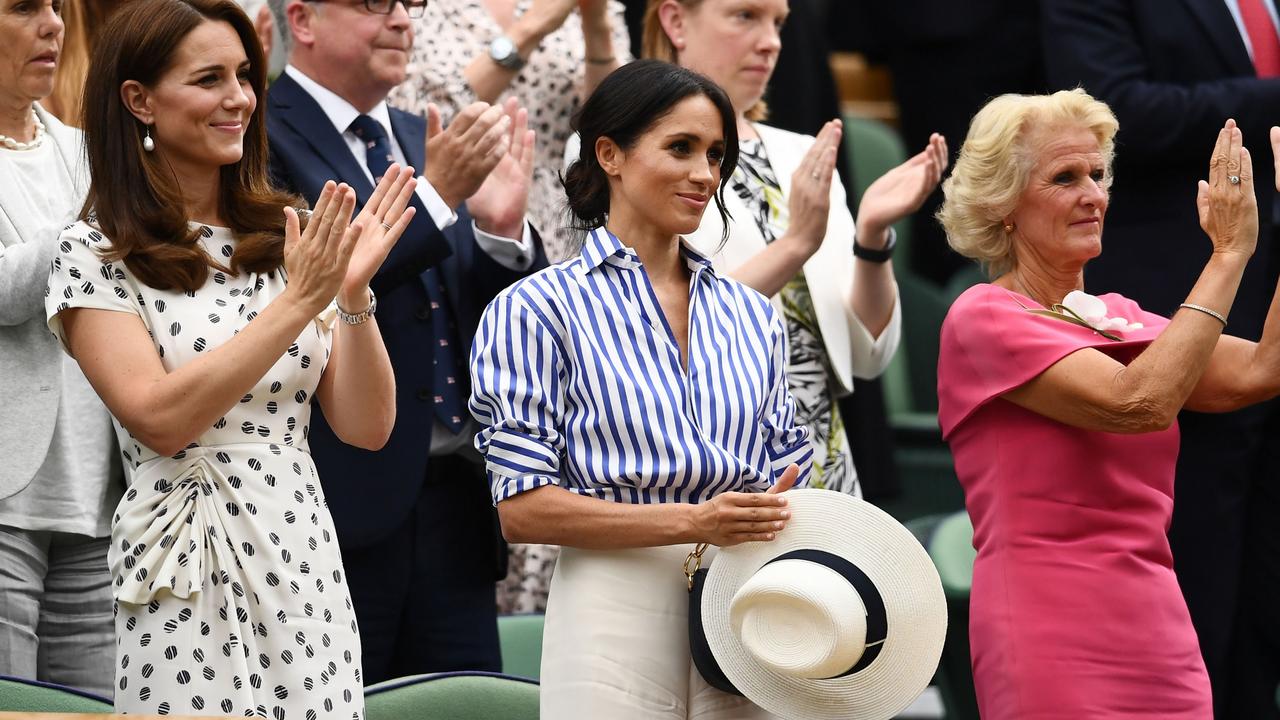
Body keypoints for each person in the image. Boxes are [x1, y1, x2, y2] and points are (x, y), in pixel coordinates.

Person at [45, 0, 417, 714]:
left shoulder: (289, 240)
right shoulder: (93, 253)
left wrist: (350, 293)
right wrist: (298, 303)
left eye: (245, 75)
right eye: (209, 78)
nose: (238, 99)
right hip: (182, 564)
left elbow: (366, 427)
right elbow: (160, 419)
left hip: (301, 550)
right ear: (139, 101)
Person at [470, 58, 810, 719]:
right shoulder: (536, 307)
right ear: (610, 154)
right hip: (609, 600)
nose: (704, 174)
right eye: (680, 147)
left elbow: (793, 473)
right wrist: (696, 520)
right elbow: (522, 510)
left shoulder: (753, 314)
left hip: (746, 603)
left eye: (715, 154)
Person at [936, 88, 1280, 718]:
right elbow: (1140, 402)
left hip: (1158, 627)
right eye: (1065, 177)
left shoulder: (1119, 318)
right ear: (1003, 203)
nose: (1093, 194)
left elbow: (1263, 369)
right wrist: (1229, 256)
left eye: (1098, 174)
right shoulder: (982, 316)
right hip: (1048, 630)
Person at [265, 0, 546, 680]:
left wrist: (501, 238)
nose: (400, 21)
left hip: (456, 498)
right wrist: (439, 193)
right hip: (337, 501)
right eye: (373, 4)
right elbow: (320, 289)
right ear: (301, 20)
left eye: (410, 4)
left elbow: (469, 319)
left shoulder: (416, 136)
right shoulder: (258, 133)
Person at [1039, 3, 1280, 714]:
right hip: (1176, 291)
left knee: (1268, 577)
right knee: (1198, 563)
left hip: (1270, 298)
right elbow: (1119, 115)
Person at [643, 0, 947, 495]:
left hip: (822, 460)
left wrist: (872, 238)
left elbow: (866, 356)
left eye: (779, 23)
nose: (772, 41)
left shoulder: (800, 151)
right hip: (709, 466)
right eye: (746, 16)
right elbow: (648, 334)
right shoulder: (628, 150)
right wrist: (796, 244)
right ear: (675, 21)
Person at [0, 0, 121, 698]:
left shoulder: (87, 151)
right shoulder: (105, 176)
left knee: (94, 713)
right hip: (6, 505)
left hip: (101, 500)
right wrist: (95, 222)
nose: (54, 24)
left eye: (55, 5)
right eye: (24, 7)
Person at [387, 0, 630, 263]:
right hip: (454, 208)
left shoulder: (601, 11)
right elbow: (414, 118)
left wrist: (595, 27)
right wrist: (530, 28)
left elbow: (619, 126)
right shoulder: (415, 7)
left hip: (562, 219)